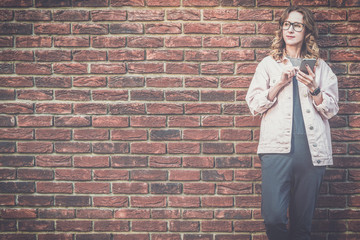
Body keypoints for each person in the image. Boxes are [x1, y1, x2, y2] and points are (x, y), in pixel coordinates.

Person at [245, 6, 339, 240]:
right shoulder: (269, 64)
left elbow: (332, 109)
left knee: (302, 226)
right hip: (276, 151)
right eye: (286, 24)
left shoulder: (319, 66)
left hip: (312, 153)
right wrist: (278, 84)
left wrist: (314, 88)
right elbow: (254, 105)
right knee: (274, 217)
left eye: (297, 25)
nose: (290, 29)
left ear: (307, 30)